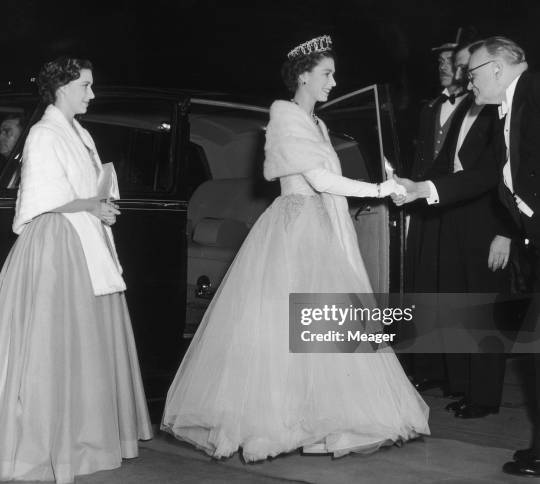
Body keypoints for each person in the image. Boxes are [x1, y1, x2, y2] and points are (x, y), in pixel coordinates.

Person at [161, 35, 430, 462]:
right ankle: (282, 421)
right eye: (327, 73)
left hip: (319, 225)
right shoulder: (285, 119)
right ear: (303, 76)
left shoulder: (316, 124)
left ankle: (322, 420)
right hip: (297, 228)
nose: (334, 82)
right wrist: (382, 188)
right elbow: (322, 182)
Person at [0, 57, 152, 483]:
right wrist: (89, 204)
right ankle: (39, 444)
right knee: (50, 346)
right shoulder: (44, 134)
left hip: (82, 239)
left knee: (79, 346)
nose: (92, 94)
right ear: (62, 88)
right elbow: (42, 195)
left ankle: (77, 440)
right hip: (56, 243)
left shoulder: (80, 133)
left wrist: (101, 202)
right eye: (86, 85)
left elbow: (85, 185)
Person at [392, 36, 537, 477]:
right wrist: (427, 189)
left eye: (471, 73)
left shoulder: (534, 96)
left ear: (495, 68)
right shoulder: (509, 108)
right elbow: (488, 174)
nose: (466, 82)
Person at [400, 44, 513, 419]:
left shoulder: (503, 110)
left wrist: (506, 233)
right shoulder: (466, 107)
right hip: (457, 217)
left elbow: (501, 176)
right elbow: (444, 166)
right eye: (460, 67)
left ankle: (484, 396)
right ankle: (464, 385)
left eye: (468, 67)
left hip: (490, 223)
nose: (462, 74)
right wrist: (413, 188)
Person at [404, 33, 470, 393]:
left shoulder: (480, 105)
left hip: (458, 206)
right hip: (426, 206)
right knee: (424, 287)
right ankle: (428, 368)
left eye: (451, 62)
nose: (444, 69)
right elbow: (420, 159)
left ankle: (457, 373)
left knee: (453, 291)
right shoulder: (429, 108)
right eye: (439, 63)